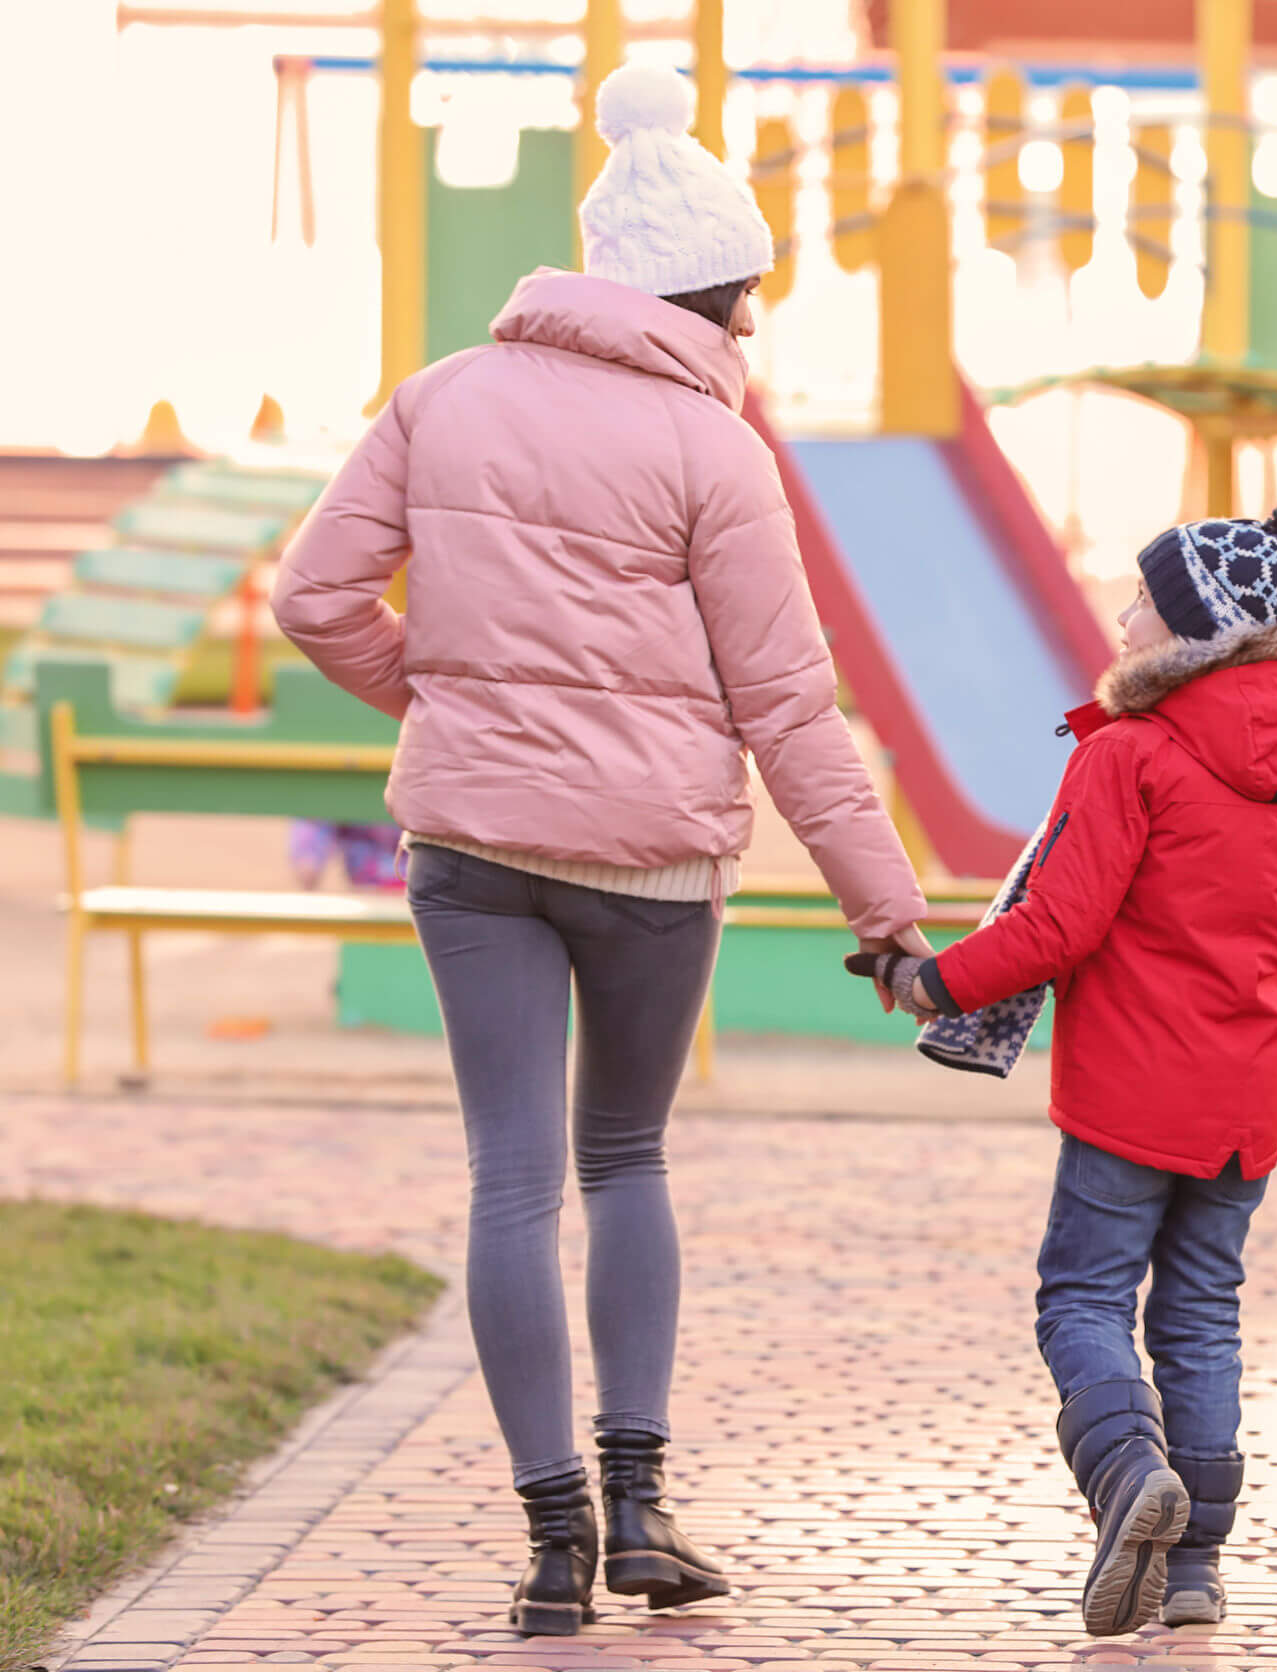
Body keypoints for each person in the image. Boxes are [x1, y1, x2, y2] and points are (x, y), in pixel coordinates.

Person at [273, 63, 929, 1637]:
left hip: (470, 853)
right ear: (694, 294)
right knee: (621, 1158)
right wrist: (888, 916)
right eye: (743, 294)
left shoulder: (441, 396)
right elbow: (791, 712)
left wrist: (441, 704)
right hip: (646, 871)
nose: (755, 327)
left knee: (509, 1176)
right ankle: (640, 1505)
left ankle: (553, 1538)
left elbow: (314, 600)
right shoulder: (720, 456)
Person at [850, 496, 1277, 1635]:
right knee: (1202, 1312)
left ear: (1193, 629)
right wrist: (1262, 1067)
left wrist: (931, 981)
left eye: (1142, 600)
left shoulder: (1130, 754)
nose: (1122, 619)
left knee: (1081, 1296)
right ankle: (1194, 1571)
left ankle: (1130, 1474)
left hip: (1127, 1096)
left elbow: (1057, 927)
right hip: (1240, 1111)